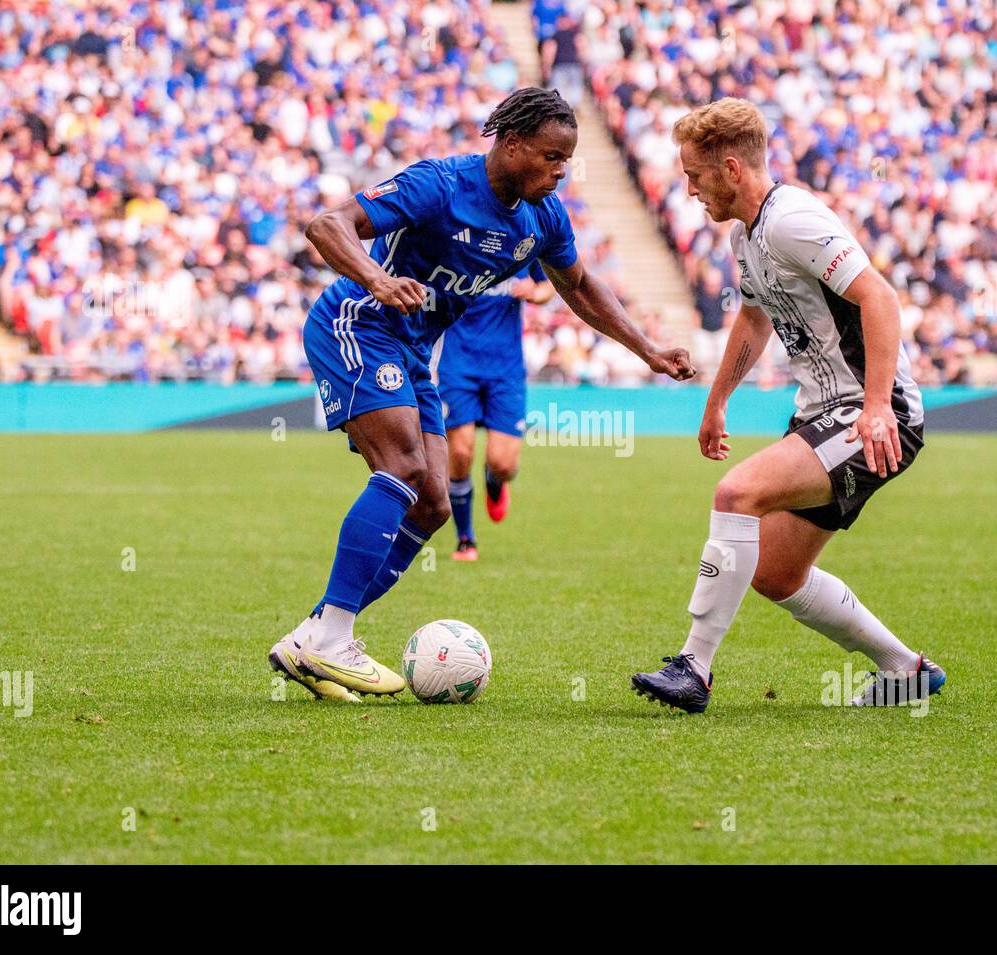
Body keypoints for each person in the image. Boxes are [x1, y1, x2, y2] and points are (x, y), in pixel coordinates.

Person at [268, 87, 695, 701]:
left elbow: (578, 285)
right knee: (405, 467)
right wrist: (379, 279)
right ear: (511, 143)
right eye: (551, 157)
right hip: (359, 322)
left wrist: (648, 349)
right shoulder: (438, 185)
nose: (559, 172)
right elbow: (326, 225)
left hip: (415, 350)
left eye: (566, 161)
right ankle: (331, 636)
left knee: (434, 504)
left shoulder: (543, 216)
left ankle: (316, 635)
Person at [630, 99, 945, 713]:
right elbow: (753, 318)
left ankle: (693, 668)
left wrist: (878, 405)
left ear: (731, 168)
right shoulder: (745, 234)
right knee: (774, 572)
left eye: (695, 175)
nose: (689, 189)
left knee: (735, 494)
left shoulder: (793, 219)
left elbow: (878, 298)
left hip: (874, 414)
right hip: (825, 413)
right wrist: (716, 400)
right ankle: (905, 670)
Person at [434, 262, 553, 562]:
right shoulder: (457, 238)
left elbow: (549, 285)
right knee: (460, 453)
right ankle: (465, 539)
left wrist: (536, 293)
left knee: (504, 464)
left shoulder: (522, 242)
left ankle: (494, 480)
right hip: (457, 365)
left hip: (506, 370)